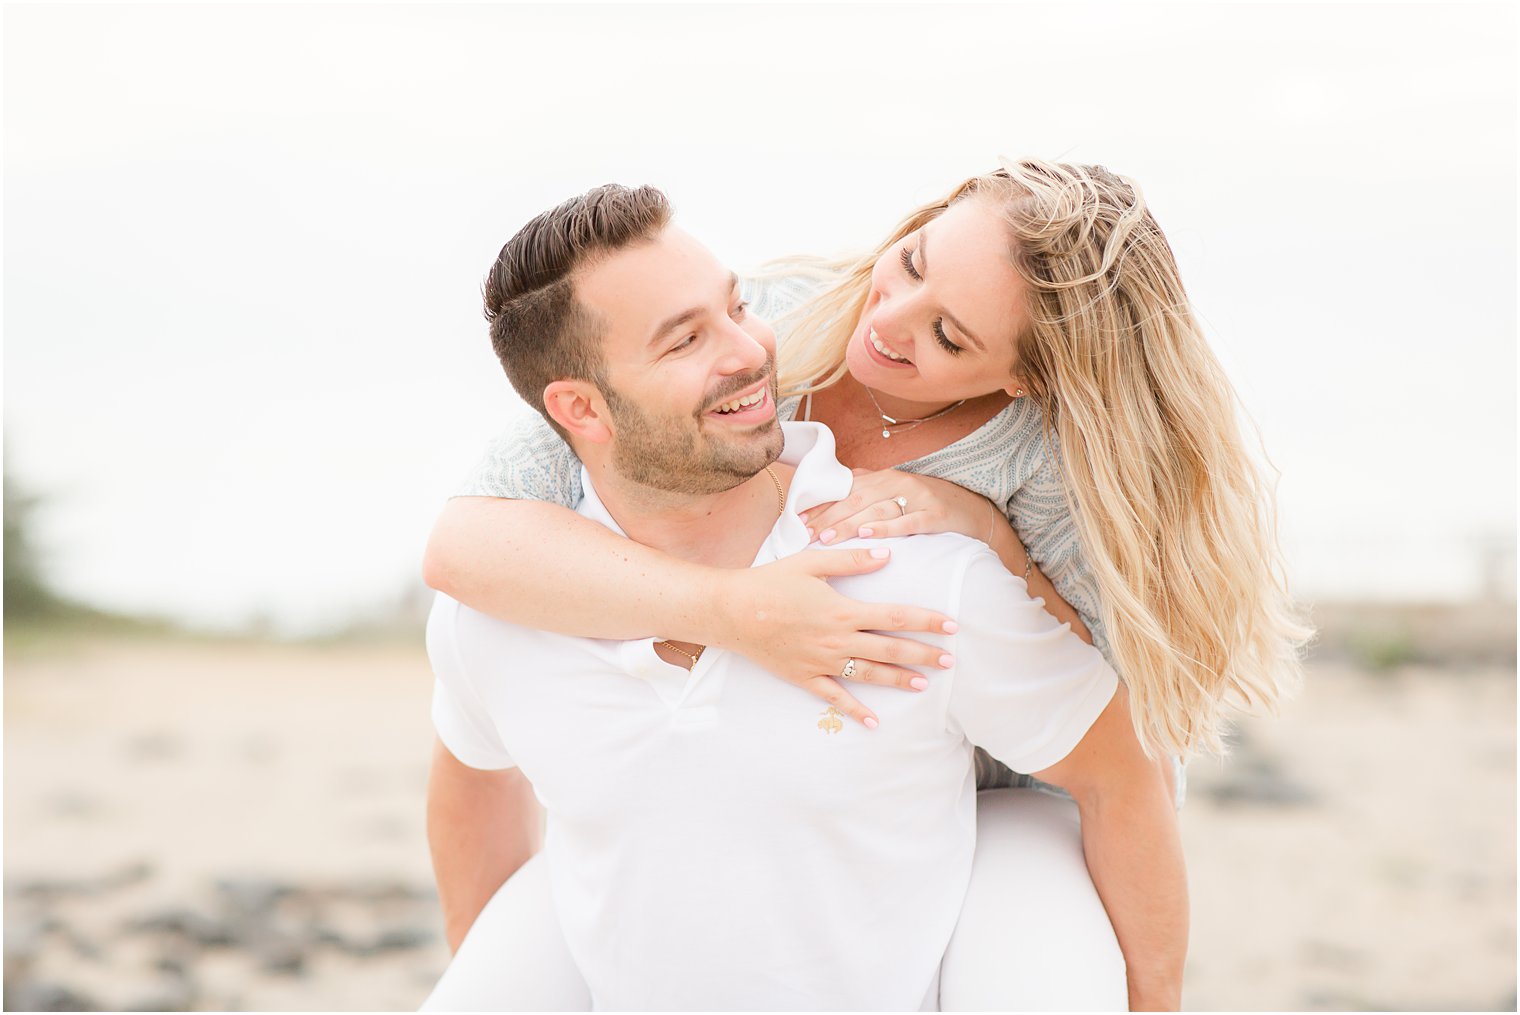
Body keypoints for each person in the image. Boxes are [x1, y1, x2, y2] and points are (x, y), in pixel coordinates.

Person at [425, 160, 1306, 1008]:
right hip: (764, 775)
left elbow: (1124, 758)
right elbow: (468, 540)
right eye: (914, 264)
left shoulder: (1038, 479)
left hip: (1013, 783)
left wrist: (991, 533)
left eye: (949, 335)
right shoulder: (777, 313)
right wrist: (739, 611)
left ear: (1024, 376)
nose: (890, 323)